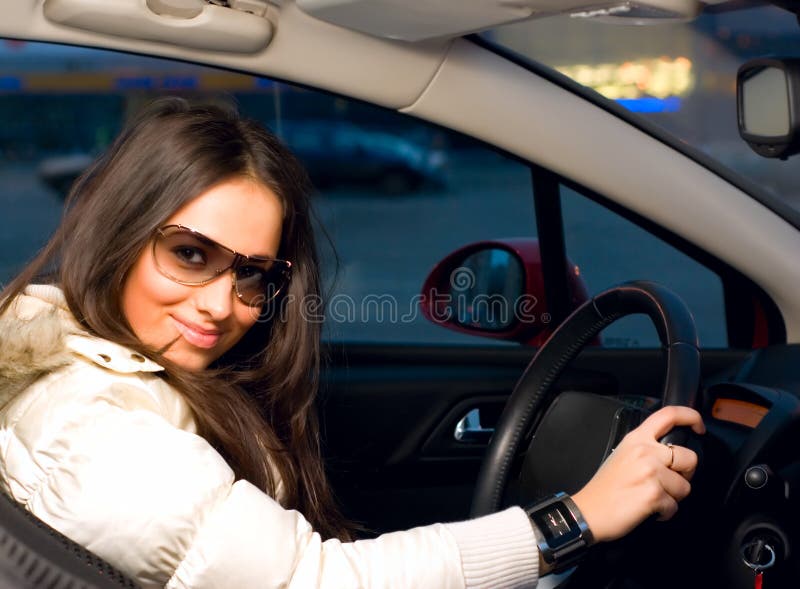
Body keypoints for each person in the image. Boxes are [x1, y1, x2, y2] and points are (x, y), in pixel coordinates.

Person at [0, 97, 704, 589]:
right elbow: (316, 580)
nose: (221, 305)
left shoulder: (102, 373)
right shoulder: (98, 432)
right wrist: (577, 518)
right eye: (189, 254)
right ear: (120, 235)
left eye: (253, 275)